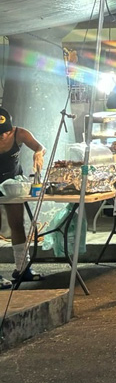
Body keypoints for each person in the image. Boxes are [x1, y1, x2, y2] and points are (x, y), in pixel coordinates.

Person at [0, 109, 44, 287]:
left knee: (17, 224)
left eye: (5, 132)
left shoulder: (21, 133)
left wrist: (38, 153)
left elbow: (40, 146)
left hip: (13, 184)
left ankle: (22, 268)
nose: (2, 136)